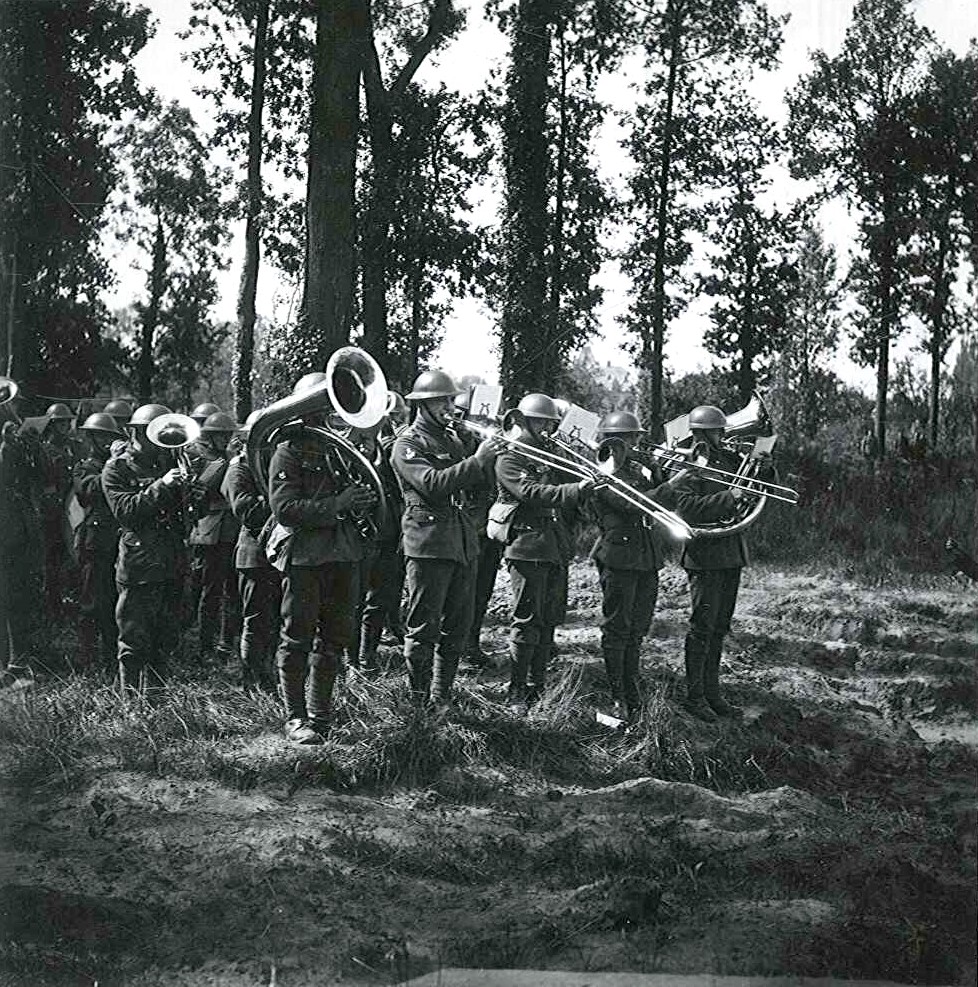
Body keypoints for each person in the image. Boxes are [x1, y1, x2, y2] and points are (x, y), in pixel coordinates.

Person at [267, 373, 378, 745]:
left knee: (334, 638)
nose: (330, 411)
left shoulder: (339, 448)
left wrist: (360, 500)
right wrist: (339, 504)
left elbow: (359, 495)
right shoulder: (289, 450)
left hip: (343, 553)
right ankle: (295, 717)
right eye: (323, 403)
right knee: (297, 637)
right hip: (305, 557)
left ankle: (321, 715)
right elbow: (284, 510)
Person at [391, 370, 501, 708]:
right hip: (427, 542)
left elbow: (474, 484)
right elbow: (433, 484)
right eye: (441, 402)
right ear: (422, 405)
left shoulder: (452, 439)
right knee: (424, 627)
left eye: (451, 400)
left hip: (460, 540)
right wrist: (477, 460)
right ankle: (419, 702)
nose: (450, 407)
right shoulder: (407, 443)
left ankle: (442, 696)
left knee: (458, 624)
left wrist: (492, 455)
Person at [493, 393, 597, 715]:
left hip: (554, 546)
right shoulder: (510, 456)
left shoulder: (551, 454)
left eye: (550, 423)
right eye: (541, 423)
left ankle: (537, 686)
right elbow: (530, 492)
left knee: (548, 619)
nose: (547, 429)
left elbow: (575, 484)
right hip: (526, 546)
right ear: (523, 422)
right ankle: (516, 690)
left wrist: (586, 469)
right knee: (526, 621)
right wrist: (574, 489)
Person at [589, 411, 685, 720]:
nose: (636, 444)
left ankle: (631, 687)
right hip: (618, 556)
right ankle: (617, 695)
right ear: (613, 441)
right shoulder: (602, 471)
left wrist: (659, 472)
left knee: (637, 628)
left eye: (636, 438)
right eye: (630, 438)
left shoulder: (638, 470)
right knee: (617, 628)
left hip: (645, 556)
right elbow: (635, 503)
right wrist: (672, 483)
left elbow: (666, 503)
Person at [671, 404, 752, 722]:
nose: (724, 436)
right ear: (702, 433)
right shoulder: (688, 463)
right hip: (704, 554)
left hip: (730, 551)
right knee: (702, 627)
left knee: (720, 627)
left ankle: (712, 693)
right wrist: (729, 498)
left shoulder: (728, 460)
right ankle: (695, 696)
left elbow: (757, 482)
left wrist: (765, 466)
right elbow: (686, 507)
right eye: (718, 431)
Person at [101, 403, 188, 693]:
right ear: (135, 433)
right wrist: (162, 485)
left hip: (170, 560)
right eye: (154, 433)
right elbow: (126, 511)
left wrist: (192, 493)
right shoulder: (116, 468)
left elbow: (184, 514)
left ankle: (156, 697)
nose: (161, 441)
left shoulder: (167, 464)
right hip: (139, 564)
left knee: (165, 635)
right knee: (133, 637)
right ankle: (131, 702)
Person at [222, 409, 279, 691]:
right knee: (256, 620)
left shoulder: (270, 465)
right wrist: (281, 499)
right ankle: (251, 680)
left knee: (275, 619)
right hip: (253, 555)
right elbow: (247, 511)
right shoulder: (239, 469)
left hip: (276, 554)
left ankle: (268, 677)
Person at [451, 388, 503, 669]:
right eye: (478, 418)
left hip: (489, 526)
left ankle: (471, 643)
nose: (485, 424)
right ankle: (456, 648)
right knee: (462, 591)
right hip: (466, 526)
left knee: (483, 589)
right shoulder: (456, 443)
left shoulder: (491, 444)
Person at [185, 411, 241, 663]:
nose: (225, 439)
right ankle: (204, 645)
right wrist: (226, 460)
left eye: (228, 435)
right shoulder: (199, 458)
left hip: (231, 532)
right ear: (210, 435)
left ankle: (226, 643)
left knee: (232, 592)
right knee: (210, 592)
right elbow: (201, 489)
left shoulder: (229, 458)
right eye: (220, 435)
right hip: (209, 534)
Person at [352, 418, 404, 675]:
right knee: (354, 602)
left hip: (387, 535)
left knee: (380, 601)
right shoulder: (344, 455)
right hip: (359, 539)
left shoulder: (387, 453)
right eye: (362, 438)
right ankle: (352, 660)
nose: (366, 445)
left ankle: (367, 657)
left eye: (370, 438)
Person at [72, 413, 123, 668]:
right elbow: (87, 491)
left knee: (113, 600)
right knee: (91, 600)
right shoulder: (84, 467)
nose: (106, 442)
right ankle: (87, 658)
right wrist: (112, 464)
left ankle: (109, 656)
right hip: (95, 542)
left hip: (116, 539)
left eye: (109, 437)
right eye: (101, 436)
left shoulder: (117, 465)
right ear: (90, 438)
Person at [0, 421, 37, 684]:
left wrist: (22, 444)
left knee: (15, 600)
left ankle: (16, 662)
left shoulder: (13, 446)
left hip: (15, 535)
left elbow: (31, 477)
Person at [39, 402, 77, 613]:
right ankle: (53, 605)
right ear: (51, 425)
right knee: (52, 558)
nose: (65, 426)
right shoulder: (44, 449)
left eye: (67, 422)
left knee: (70, 556)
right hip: (52, 512)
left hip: (72, 509)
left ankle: (68, 598)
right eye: (60, 423)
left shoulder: (73, 447)